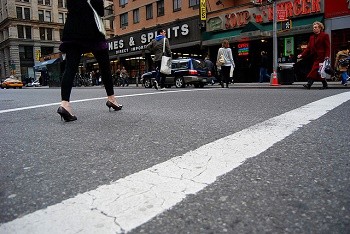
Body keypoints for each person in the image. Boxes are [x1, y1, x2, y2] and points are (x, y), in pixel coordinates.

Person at [57, 0, 122, 122]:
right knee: (104, 66)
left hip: (73, 28)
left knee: (70, 67)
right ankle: (112, 99)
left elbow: (70, 6)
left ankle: (65, 104)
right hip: (92, 30)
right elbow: (99, 10)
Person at [297, 21, 330, 90]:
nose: (314, 29)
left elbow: (327, 47)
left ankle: (309, 84)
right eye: (313, 27)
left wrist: (327, 56)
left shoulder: (325, 35)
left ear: (320, 28)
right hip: (314, 57)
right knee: (319, 72)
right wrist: (301, 55)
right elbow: (308, 48)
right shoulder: (311, 37)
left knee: (314, 69)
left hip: (322, 57)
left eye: (315, 27)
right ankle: (325, 84)